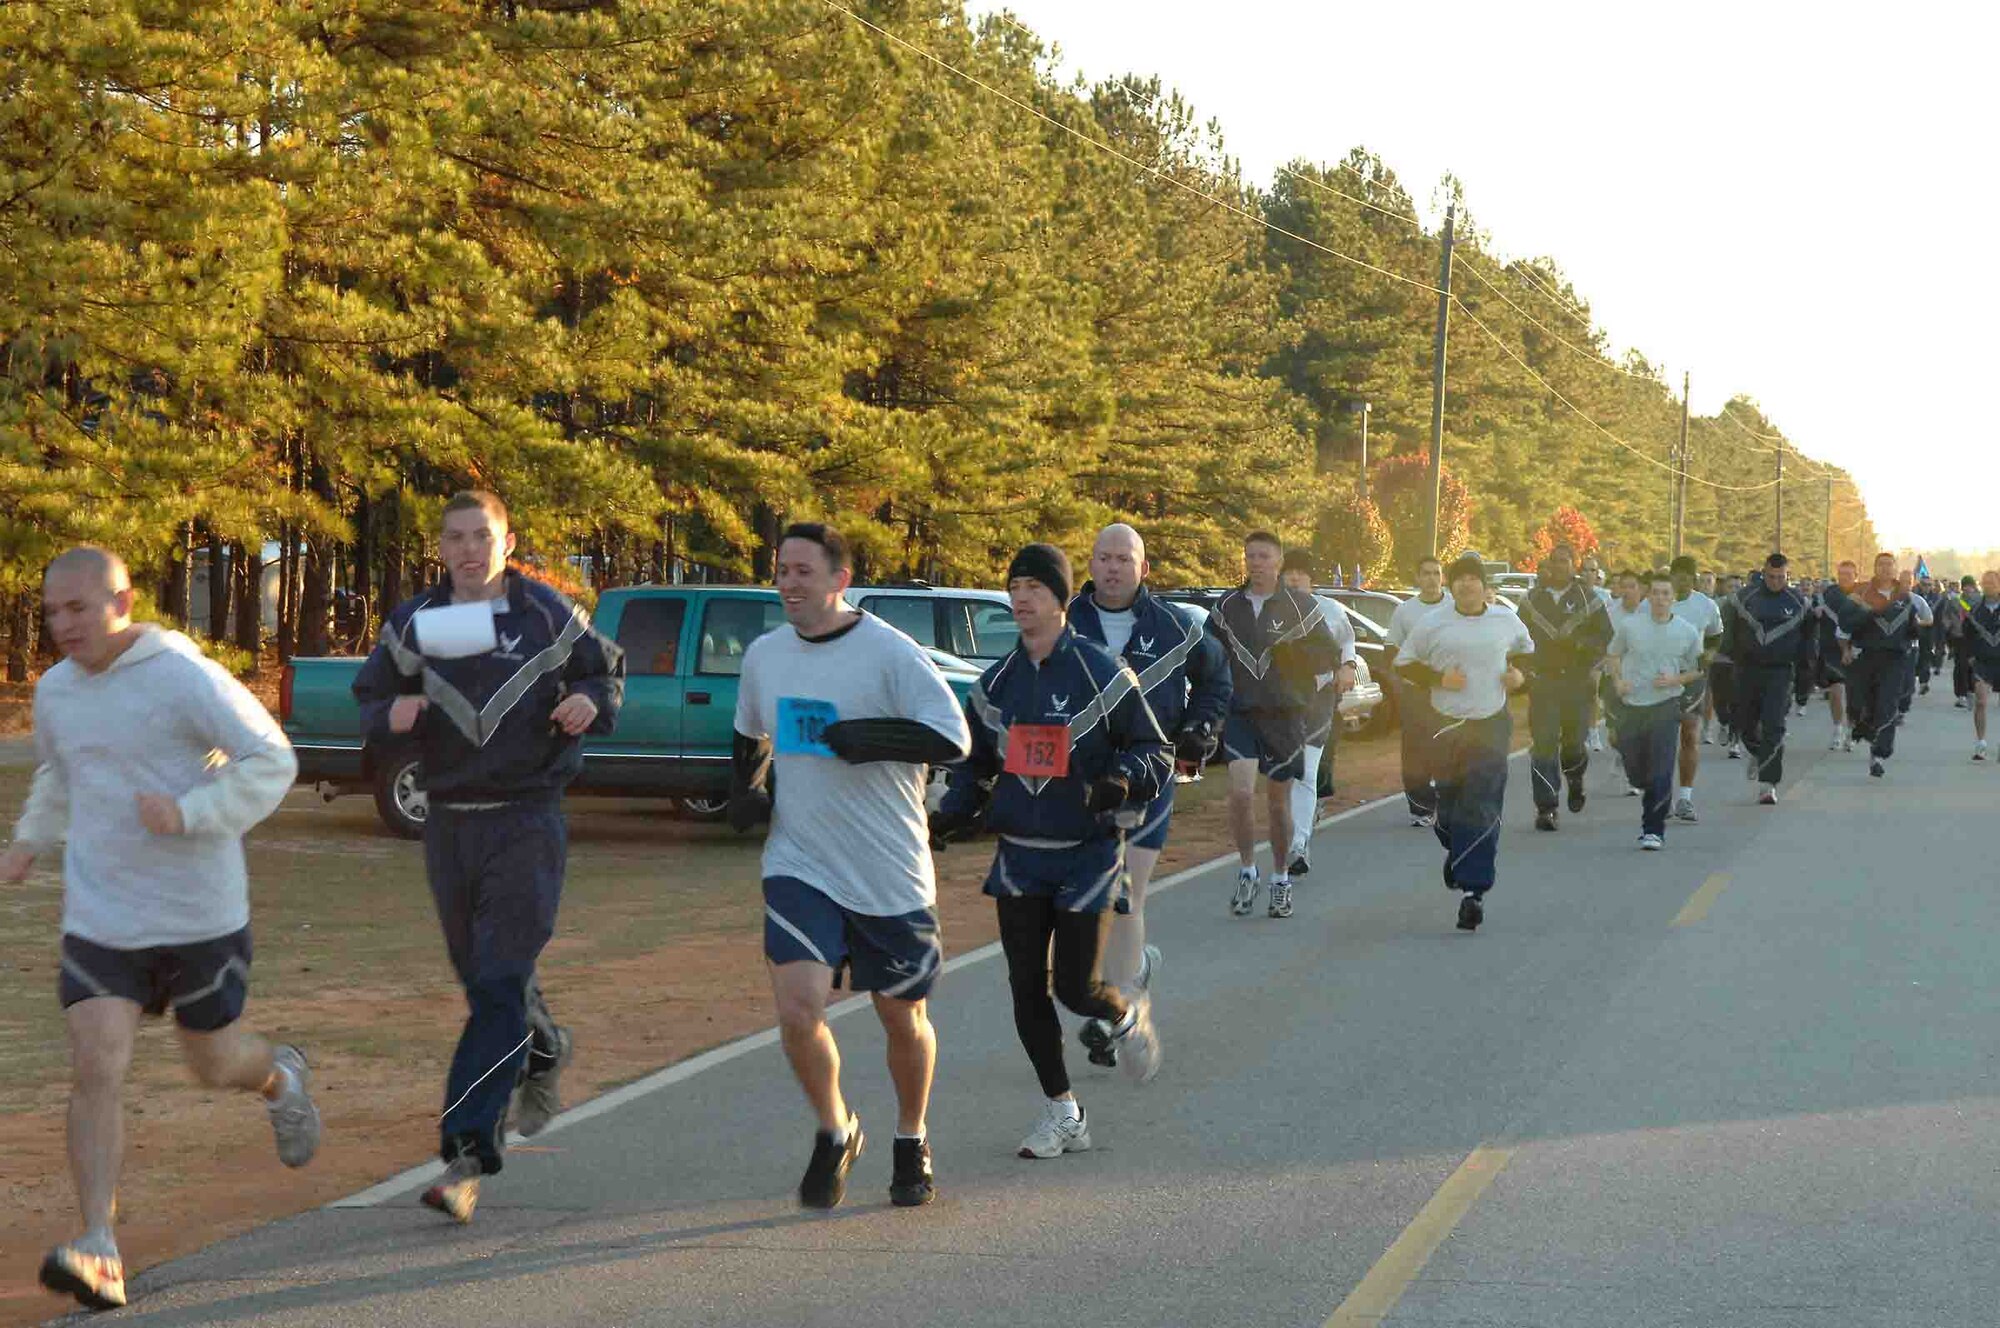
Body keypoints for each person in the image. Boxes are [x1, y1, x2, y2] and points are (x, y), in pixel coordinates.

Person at [4, 547, 316, 1313]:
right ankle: (99, 1247)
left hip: (197, 916)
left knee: (212, 1064)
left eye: (78, 608)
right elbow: (58, 770)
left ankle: (279, 1078)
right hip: (102, 916)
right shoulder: (57, 693)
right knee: (95, 1065)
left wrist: (191, 814)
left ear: (123, 601)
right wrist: (28, 840)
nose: (63, 625)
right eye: (51, 612)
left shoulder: (182, 675)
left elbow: (272, 757)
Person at [353, 491, 624, 1223]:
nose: (469, 549)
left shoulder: (545, 612)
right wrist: (392, 716)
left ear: (507, 541)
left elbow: (605, 673)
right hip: (449, 826)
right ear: (440, 547)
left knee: (501, 980)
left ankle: (467, 1151)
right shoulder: (419, 621)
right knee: (485, 985)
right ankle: (542, 1049)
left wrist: (590, 702)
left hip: (527, 819)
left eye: (483, 536)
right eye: (455, 538)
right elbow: (371, 698)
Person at [728, 523, 970, 1209]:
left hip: (888, 868)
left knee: (903, 1019)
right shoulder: (765, 656)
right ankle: (836, 1128)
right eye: (782, 570)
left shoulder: (890, 654)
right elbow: (750, 734)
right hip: (801, 860)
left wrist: (868, 738)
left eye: (804, 571)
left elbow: (955, 738)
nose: (789, 583)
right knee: (799, 1007)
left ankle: (909, 1135)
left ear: (839, 580)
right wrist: (745, 790)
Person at [935, 544, 1170, 1159]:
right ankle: (1063, 1111)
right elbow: (977, 764)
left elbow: (1155, 751)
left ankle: (1121, 1015)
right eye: (1014, 587)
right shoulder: (995, 685)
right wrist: (955, 808)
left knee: (1073, 987)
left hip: (1087, 853)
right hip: (1019, 853)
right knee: (1022, 987)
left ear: (1061, 599)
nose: (1021, 599)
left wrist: (1122, 778)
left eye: (1035, 588)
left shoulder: (1102, 672)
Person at [1066, 523, 1230, 1067]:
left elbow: (1217, 679)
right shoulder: (1065, 621)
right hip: (1079, 782)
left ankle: (1111, 1014)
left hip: (1148, 775)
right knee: (1083, 896)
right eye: (1104, 557)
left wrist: (1201, 726)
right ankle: (1128, 977)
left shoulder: (1176, 628)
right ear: (1090, 563)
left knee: (1126, 890)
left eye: (1124, 559)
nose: (1112, 568)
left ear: (1144, 569)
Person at [1205, 532, 1341, 920]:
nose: (1256, 562)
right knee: (1240, 793)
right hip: (1242, 713)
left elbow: (1328, 654)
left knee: (1277, 802)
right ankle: (1247, 869)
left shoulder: (1302, 606)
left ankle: (1280, 878)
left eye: (1264, 556)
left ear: (1278, 561)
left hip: (1284, 716)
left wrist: (1295, 658)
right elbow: (1208, 655)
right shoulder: (1227, 606)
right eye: (1250, 556)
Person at [1394, 554, 1534, 932]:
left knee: (1482, 803)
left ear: (1484, 585)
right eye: (1460, 580)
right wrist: (1439, 679)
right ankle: (1457, 849)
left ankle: (1473, 893)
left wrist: (1521, 676)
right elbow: (1403, 663)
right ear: (1451, 586)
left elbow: (1526, 653)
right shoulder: (1431, 623)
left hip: (1489, 724)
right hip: (1446, 725)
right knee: (1451, 809)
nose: (1467, 585)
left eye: (1474, 579)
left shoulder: (1505, 619)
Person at [1606, 570, 1705, 849]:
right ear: (1648, 596)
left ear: (1673, 598)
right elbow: (1612, 654)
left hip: (1665, 705)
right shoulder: (1631, 626)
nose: (1660, 599)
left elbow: (1697, 669)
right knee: (1637, 772)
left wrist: (1676, 680)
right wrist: (1618, 681)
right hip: (1633, 706)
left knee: (1661, 769)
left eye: (1666, 594)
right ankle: (1644, 787)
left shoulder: (1685, 631)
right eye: (1656, 593)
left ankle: (1653, 830)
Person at [1516, 544, 1611, 831]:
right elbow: (1517, 638)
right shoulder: (1532, 600)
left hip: (1576, 681)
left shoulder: (1588, 598)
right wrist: (1525, 669)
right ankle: (1547, 808)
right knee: (1543, 744)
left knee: (1573, 743)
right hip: (1543, 681)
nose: (1560, 566)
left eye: (1566, 561)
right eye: (1555, 561)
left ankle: (1575, 779)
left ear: (1575, 565)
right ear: (1549, 564)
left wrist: (1583, 648)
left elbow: (1605, 636)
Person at [1279, 551, 1359, 875]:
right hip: (1279, 704)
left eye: (1301, 573)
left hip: (1319, 698)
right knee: (1283, 775)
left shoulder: (1330, 609)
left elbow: (1347, 644)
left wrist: (1348, 667)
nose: (1295, 578)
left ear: (1312, 578)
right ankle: (1288, 831)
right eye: (1289, 573)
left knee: (1307, 771)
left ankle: (1299, 844)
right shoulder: (1267, 611)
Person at [1822, 552, 1932, 777]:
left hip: (1894, 659)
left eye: (1889, 565)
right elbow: (1844, 623)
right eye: (1880, 564)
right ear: (1874, 568)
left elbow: (1923, 623)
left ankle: (1880, 753)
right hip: (1865, 657)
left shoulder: (1906, 596)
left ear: (1895, 568)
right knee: (1860, 704)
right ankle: (1864, 730)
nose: (1885, 568)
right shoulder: (1860, 593)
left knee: (1888, 704)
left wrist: (1916, 630)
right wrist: (1846, 647)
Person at [1723, 554, 1815, 806]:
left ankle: (1768, 784)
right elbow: (1728, 634)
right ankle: (1758, 751)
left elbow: (1808, 643)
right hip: (1747, 670)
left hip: (1780, 672)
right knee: (1744, 724)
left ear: (1788, 575)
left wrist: (1804, 682)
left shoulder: (1799, 602)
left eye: (1781, 577)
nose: (1776, 581)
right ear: (1763, 573)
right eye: (1771, 577)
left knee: (1774, 725)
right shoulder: (1744, 599)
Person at [1385, 555, 1453, 826]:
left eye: (1436, 573)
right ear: (1417, 577)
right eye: (1426, 573)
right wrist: (1401, 679)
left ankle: (1448, 801)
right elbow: (1391, 648)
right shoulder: (1405, 611)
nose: (1432, 579)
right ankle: (1420, 807)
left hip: (1450, 689)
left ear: (1443, 577)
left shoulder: (1454, 606)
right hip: (1416, 689)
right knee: (1415, 750)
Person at [1667, 555, 1724, 822]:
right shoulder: (1655, 602)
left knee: (1689, 733)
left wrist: (1709, 654)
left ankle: (1685, 798)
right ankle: (1661, 795)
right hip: (1660, 677)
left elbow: (1716, 636)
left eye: (1686, 576)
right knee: (1662, 739)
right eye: (1676, 575)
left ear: (1694, 578)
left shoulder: (1706, 606)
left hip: (1692, 676)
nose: (1681, 580)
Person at [1816, 561, 1859, 750]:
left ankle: (1851, 730)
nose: (1845, 578)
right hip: (1832, 650)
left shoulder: (1863, 594)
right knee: (1836, 692)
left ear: (1855, 576)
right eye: (1842, 574)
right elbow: (1817, 612)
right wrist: (1816, 612)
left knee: (1855, 696)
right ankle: (1838, 729)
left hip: (1857, 651)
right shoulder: (1829, 594)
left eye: (1849, 575)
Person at [1963, 571, 2000, 761]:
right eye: (1985, 583)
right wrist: (1969, 656)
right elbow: (1966, 634)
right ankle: (1981, 743)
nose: (1988, 586)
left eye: (1992, 583)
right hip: (1982, 662)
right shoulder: (1975, 609)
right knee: (1981, 701)